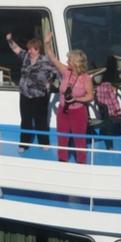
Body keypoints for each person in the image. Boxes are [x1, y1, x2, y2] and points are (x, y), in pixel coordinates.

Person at [44, 32, 94, 164]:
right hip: (63, 111)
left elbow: (90, 96)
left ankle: (81, 163)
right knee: (62, 139)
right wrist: (47, 43)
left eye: (69, 60)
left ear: (76, 63)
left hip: (78, 112)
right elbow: (52, 58)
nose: (67, 61)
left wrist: (77, 99)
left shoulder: (86, 78)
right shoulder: (66, 72)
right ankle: (62, 161)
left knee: (79, 140)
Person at [6, 33, 56, 152]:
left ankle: (44, 142)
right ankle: (23, 144)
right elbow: (16, 48)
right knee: (25, 120)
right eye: (28, 49)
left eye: (31, 49)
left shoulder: (46, 60)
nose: (29, 51)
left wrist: (50, 82)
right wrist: (9, 40)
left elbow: (57, 72)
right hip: (25, 94)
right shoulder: (26, 57)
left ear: (38, 49)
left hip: (40, 95)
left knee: (41, 120)